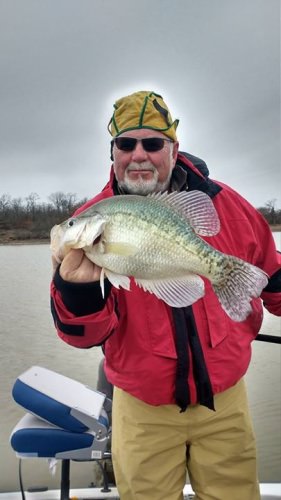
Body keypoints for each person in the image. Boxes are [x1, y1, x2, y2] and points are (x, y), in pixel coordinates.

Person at [50, 90, 281, 500]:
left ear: (173, 149)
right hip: (142, 411)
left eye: (153, 143)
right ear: (114, 152)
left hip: (225, 403)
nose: (139, 155)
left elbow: (272, 273)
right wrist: (77, 290)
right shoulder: (97, 218)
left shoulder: (228, 206)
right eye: (126, 144)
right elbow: (81, 335)